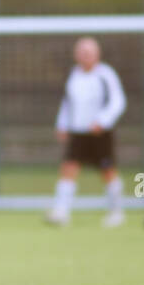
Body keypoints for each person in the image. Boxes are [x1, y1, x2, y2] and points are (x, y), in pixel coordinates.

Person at [48, 37, 126, 227]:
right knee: (68, 168)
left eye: (88, 53)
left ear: (97, 54)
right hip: (78, 132)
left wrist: (102, 121)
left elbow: (118, 102)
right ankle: (61, 211)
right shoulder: (74, 75)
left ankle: (116, 212)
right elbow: (68, 103)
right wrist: (62, 124)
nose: (84, 56)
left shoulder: (106, 75)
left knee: (108, 171)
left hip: (100, 133)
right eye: (81, 53)